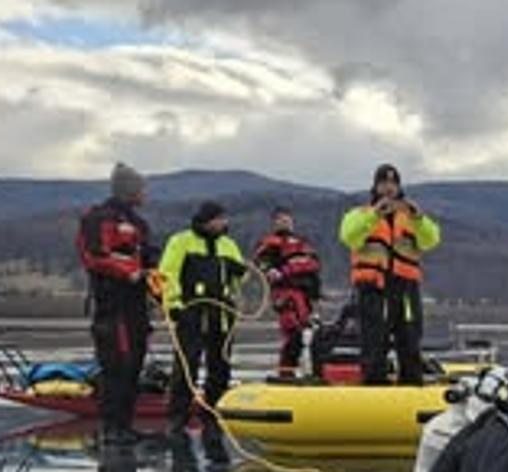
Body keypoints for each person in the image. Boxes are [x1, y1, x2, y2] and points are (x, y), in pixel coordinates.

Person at [156, 200, 248, 450]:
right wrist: (173, 304)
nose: (224, 223)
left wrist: (240, 272)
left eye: (224, 219)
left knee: (220, 368)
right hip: (191, 313)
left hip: (222, 315)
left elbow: (242, 278)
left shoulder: (228, 245)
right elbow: (167, 274)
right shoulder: (181, 241)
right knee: (187, 366)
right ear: (208, 220)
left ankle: (212, 419)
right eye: (220, 219)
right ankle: (177, 420)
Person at [76, 163, 156, 446]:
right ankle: (111, 427)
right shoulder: (99, 218)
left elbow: (151, 260)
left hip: (136, 304)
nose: (146, 193)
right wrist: (128, 272)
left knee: (134, 364)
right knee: (116, 365)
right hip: (112, 303)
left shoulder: (139, 224)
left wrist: (158, 284)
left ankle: (125, 424)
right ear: (130, 190)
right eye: (142, 188)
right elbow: (94, 255)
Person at [340, 164, 441, 385]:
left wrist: (419, 219)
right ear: (375, 187)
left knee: (410, 340)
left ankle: (412, 386)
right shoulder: (360, 215)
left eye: (393, 183)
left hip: (405, 289)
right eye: (383, 183)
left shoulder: (412, 218)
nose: (388, 188)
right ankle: (374, 388)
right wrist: (375, 215)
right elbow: (349, 236)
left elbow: (431, 240)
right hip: (374, 289)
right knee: (375, 343)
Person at [252, 207, 323, 378]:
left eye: (288, 220)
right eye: (281, 220)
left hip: (306, 296)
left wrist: (295, 268)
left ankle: (312, 371)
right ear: (274, 222)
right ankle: (286, 373)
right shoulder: (269, 243)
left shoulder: (302, 242)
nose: (285, 222)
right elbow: (262, 263)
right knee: (293, 334)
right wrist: (279, 271)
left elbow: (314, 263)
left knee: (312, 334)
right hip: (286, 294)